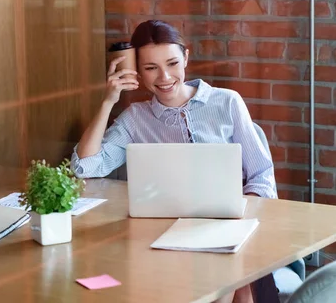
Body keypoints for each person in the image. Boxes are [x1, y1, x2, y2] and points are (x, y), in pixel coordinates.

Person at [71, 20, 280, 303]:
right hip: (162, 237)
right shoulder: (135, 118)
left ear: (186, 58)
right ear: (138, 72)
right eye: (150, 68)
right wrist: (108, 101)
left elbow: (262, 176)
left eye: (171, 63)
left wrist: (236, 218)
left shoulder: (227, 103)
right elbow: (85, 167)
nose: (164, 77)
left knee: (229, 280)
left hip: (228, 229)